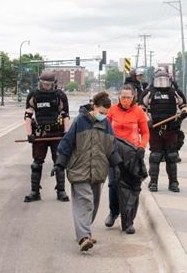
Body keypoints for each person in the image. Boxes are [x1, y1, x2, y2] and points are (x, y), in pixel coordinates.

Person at [53, 91, 120, 252]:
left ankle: (85, 231)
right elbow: (67, 142)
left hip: (98, 170)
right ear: (94, 107)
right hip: (79, 169)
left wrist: (117, 165)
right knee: (86, 201)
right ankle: (83, 237)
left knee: (94, 204)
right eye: (101, 113)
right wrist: (60, 164)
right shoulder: (80, 121)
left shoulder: (106, 125)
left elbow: (111, 147)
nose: (103, 116)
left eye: (106, 114)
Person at [104, 85, 150, 233]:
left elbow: (145, 133)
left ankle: (129, 221)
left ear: (133, 98)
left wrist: (142, 147)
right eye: (122, 97)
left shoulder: (139, 112)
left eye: (128, 97)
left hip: (132, 155)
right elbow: (104, 129)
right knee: (113, 184)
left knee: (131, 187)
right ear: (119, 97)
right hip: (114, 152)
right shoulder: (112, 110)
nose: (125, 100)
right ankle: (114, 212)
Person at [23, 71, 71, 202]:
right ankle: (35, 192)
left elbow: (65, 115)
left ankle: (61, 191)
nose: (46, 86)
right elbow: (28, 116)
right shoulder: (33, 95)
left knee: (59, 163)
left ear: (54, 84)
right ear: (40, 83)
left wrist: (66, 133)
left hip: (56, 133)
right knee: (36, 164)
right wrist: (29, 134)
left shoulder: (60, 96)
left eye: (49, 84)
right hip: (40, 134)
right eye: (44, 84)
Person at [142, 70, 187, 193]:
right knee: (155, 156)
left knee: (172, 156)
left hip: (171, 129)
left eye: (164, 80)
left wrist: (183, 113)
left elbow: (183, 106)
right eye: (159, 80)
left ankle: (173, 183)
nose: (162, 83)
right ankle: (153, 183)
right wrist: (147, 121)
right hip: (155, 129)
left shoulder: (175, 93)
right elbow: (141, 109)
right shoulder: (149, 93)